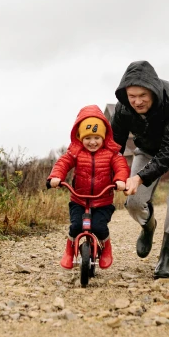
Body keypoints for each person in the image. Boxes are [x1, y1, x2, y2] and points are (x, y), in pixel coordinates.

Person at [111, 60, 169, 279]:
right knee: (133, 201)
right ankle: (148, 226)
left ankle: (165, 259)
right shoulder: (123, 109)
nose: (137, 101)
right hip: (147, 148)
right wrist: (109, 173)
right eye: (132, 96)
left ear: (152, 90)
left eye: (143, 95)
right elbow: (114, 147)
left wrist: (140, 177)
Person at [48, 105, 130, 270]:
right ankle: (69, 251)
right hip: (78, 199)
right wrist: (56, 177)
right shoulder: (75, 153)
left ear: (104, 136)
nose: (92, 142)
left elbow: (121, 166)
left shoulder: (111, 153)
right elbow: (63, 163)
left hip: (103, 201)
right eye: (88, 138)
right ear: (80, 137)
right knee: (76, 226)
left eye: (97, 137)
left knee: (99, 227)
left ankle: (106, 248)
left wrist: (120, 180)